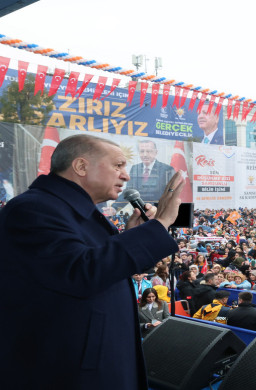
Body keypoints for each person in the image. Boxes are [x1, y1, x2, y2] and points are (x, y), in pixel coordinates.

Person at [0, 134, 184, 389]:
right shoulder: (34, 209)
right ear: (81, 166)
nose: (126, 175)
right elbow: (81, 272)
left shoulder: (73, 210)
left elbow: (100, 268)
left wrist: (133, 237)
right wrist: (161, 223)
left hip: (90, 361)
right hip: (66, 371)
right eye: (118, 165)